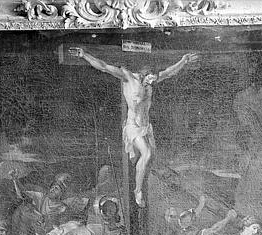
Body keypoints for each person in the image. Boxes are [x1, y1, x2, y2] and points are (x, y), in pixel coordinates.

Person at [69, 47, 199, 207]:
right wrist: (84, 55)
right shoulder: (129, 78)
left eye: (153, 80)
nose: (152, 82)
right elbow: (103, 66)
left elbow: (169, 72)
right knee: (147, 153)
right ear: (143, 73)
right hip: (133, 126)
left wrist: (183, 61)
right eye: (150, 78)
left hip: (146, 127)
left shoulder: (151, 81)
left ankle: (141, 186)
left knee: (149, 159)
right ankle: (137, 191)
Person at [11, 171, 88, 229]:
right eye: (52, 187)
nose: (52, 190)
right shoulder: (41, 197)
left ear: (61, 193)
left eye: (56, 188)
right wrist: (15, 180)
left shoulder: (63, 208)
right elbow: (22, 194)